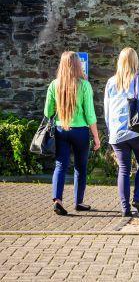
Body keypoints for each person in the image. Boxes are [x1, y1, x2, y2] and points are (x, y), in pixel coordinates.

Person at [104, 47, 139, 217]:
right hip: (137, 132)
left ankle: (125, 208)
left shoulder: (111, 82)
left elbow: (106, 111)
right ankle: (137, 198)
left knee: (123, 169)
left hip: (117, 134)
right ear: (136, 61)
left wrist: (110, 131)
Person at [44, 51, 100, 216]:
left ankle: (57, 200)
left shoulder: (54, 85)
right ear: (77, 65)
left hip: (61, 129)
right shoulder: (84, 85)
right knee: (80, 167)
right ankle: (78, 202)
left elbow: (48, 112)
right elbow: (90, 115)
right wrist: (96, 137)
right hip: (81, 131)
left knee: (60, 165)